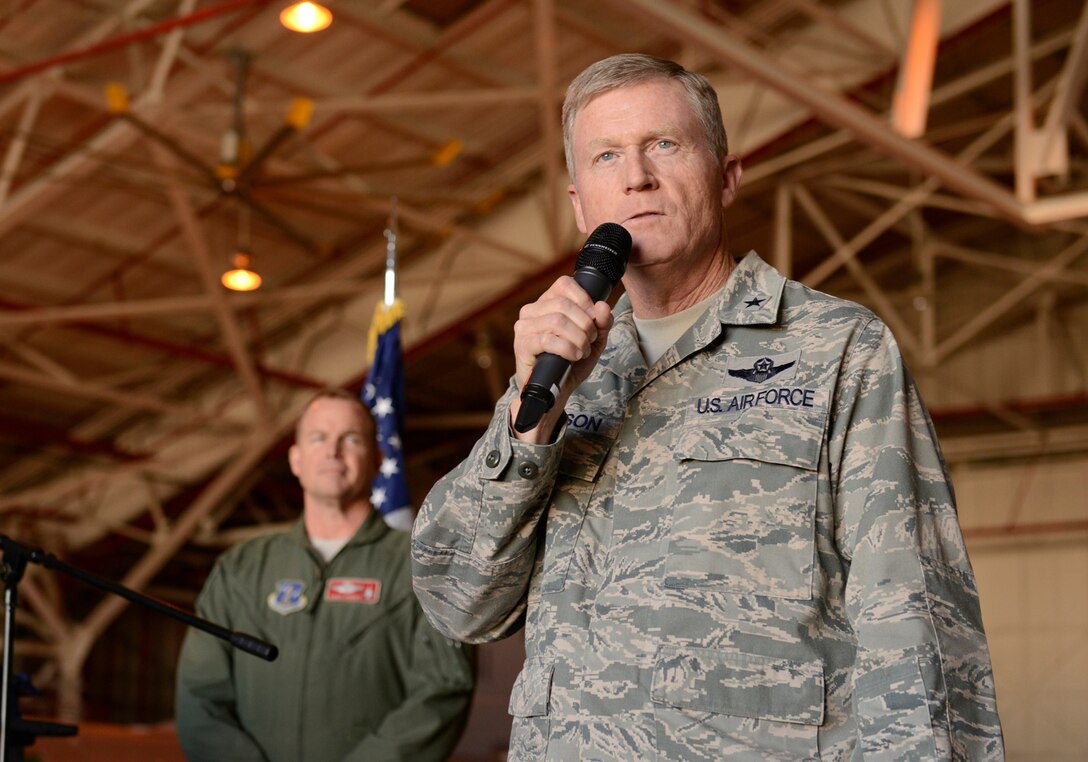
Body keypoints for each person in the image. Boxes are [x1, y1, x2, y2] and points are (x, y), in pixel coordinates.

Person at [411, 54, 1004, 760]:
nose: (636, 176)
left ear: (726, 178)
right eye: (607, 156)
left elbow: (916, 623)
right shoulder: (561, 373)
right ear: (578, 204)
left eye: (664, 144)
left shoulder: (835, 348)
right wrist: (530, 417)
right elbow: (459, 603)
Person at [176, 389, 474, 762]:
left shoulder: (421, 566)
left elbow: (443, 691)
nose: (332, 451)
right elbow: (200, 694)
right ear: (296, 459)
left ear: (378, 459)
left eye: (350, 439)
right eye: (318, 437)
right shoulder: (240, 568)